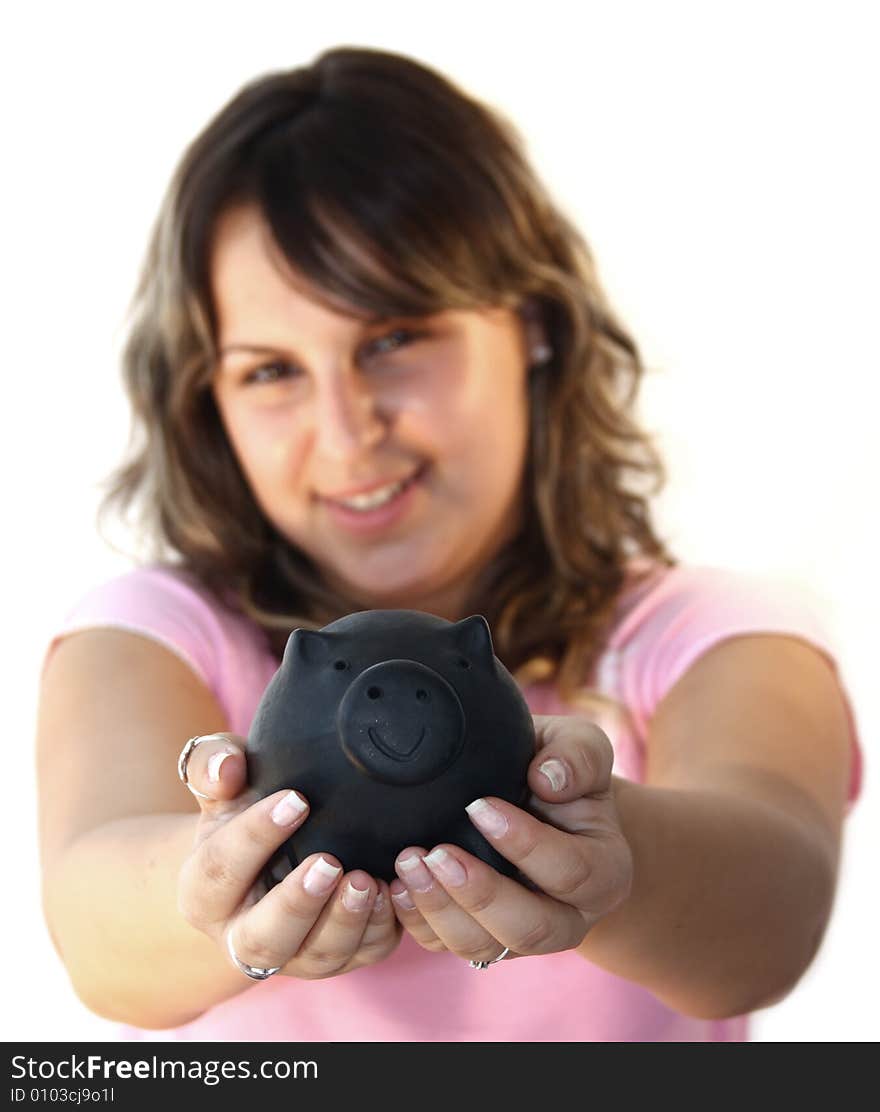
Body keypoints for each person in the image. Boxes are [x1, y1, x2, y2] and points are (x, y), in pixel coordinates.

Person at [35, 45, 862, 1043]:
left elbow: (772, 915)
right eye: (269, 372)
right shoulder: (157, 634)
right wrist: (215, 874)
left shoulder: (706, 635)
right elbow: (93, 926)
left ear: (534, 326)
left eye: (393, 340)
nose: (345, 433)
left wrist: (604, 853)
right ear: (205, 404)